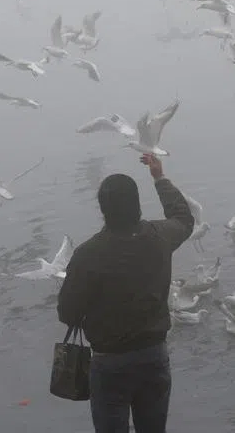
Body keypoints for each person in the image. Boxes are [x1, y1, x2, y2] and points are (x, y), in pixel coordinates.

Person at [57, 153, 195, 433]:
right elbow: (183, 218)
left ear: (103, 209)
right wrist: (159, 177)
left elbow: (67, 313)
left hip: (110, 362)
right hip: (153, 356)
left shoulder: (88, 255)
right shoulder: (160, 236)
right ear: (137, 205)